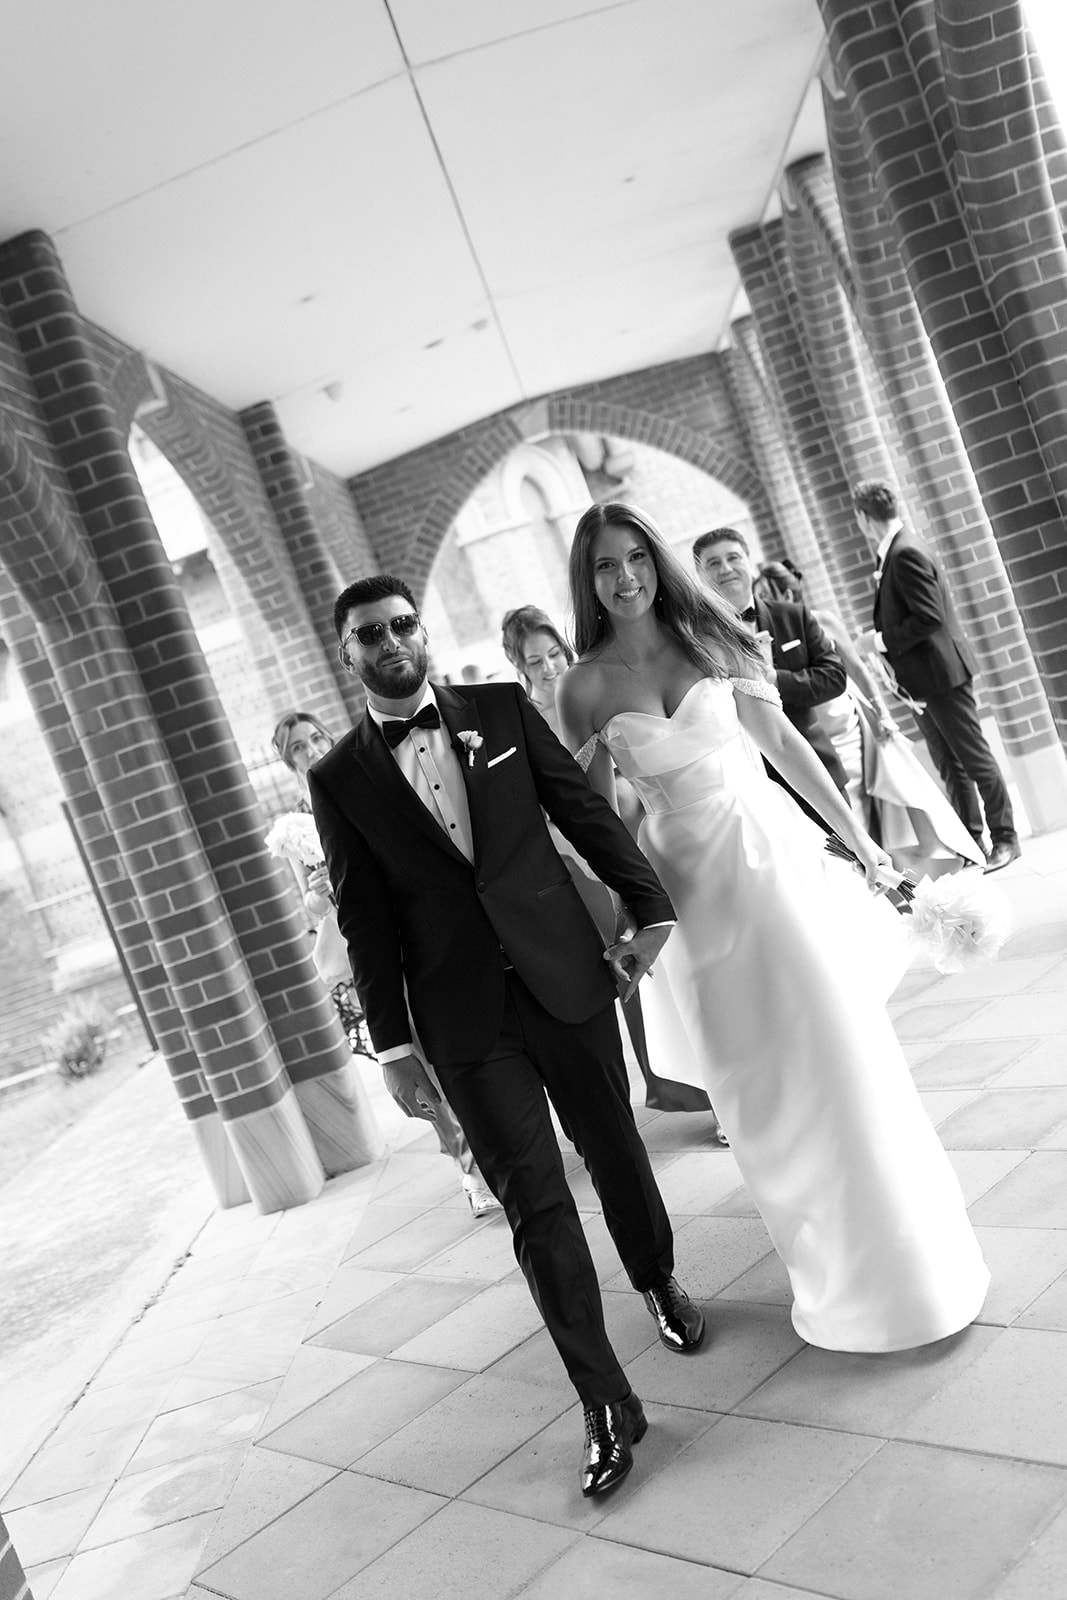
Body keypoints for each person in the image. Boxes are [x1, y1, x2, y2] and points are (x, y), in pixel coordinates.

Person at [557, 502, 990, 1355]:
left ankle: (915, 1268)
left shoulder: (711, 635)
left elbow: (785, 745)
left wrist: (863, 845)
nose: (624, 577)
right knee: (760, 1094)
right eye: (604, 566)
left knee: (840, 1054)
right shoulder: (583, 687)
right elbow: (590, 821)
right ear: (587, 581)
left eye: (636, 556)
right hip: (688, 896)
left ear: (656, 557)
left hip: (775, 867)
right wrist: (619, 919)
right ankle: (829, 1279)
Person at [308, 575, 704, 1498]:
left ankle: (655, 1277)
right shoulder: (338, 778)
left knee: (614, 1150)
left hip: (563, 975)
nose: (392, 642)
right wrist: (397, 1050)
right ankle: (604, 1400)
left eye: (404, 625)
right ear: (349, 652)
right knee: (535, 1206)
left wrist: (648, 912)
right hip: (461, 1023)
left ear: (424, 632)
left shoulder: (498, 710)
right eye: (370, 634)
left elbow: (580, 809)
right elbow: (363, 919)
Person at [271, 711, 500, 1217]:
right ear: (289, 764)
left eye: (315, 739)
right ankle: (467, 1167)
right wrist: (318, 895)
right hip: (366, 955)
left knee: (450, 1054)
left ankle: (495, 1149)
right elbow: (306, 908)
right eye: (299, 749)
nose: (311, 751)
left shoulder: (359, 782)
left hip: (414, 940)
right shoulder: (294, 825)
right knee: (416, 1062)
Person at [500, 604, 716, 1123]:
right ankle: (676, 1085)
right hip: (576, 864)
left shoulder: (590, 692)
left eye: (555, 653)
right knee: (632, 969)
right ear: (519, 666)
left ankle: (711, 1083)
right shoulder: (519, 717)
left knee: (679, 952)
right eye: (536, 660)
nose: (550, 667)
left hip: (636, 833)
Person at [755, 563, 984, 879]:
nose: (764, 601)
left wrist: (884, 713)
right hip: (810, 729)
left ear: (787, 590)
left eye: (768, 593)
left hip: (843, 720)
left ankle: (894, 865)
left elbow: (857, 670)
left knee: (872, 797)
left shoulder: (821, 621)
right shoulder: (760, 634)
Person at [853, 479, 1021, 873]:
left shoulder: (906, 552)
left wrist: (876, 641)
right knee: (951, 766)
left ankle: (1006, 839)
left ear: (863, 518)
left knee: (975, 761)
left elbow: (930, 617)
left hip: (941, 676)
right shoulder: (897, 550)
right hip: (923, 681)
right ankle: (972, 842)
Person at [693, 528, 849, 822]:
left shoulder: (793, 615)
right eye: (713, 563)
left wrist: (776, 680)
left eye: (733, 557)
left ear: (749, 562)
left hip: (816, 770)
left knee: (853, 861)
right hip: (750, 789)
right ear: (700, 576)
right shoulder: (695, 638)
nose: (726, 569)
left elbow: (834, 677)